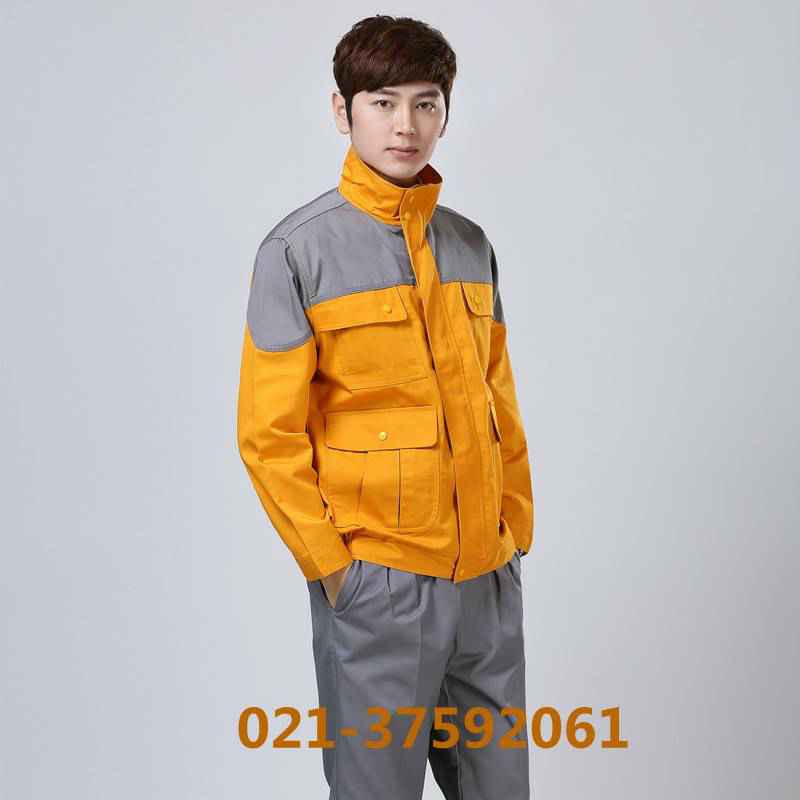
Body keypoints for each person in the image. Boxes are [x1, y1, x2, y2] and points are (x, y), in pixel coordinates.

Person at [236, 14, 535, 800]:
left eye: (426, 103)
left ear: (445, 113)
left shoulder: (470, 246)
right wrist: (338, 574)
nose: (406, 124)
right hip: (380, 587)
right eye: (383, 102)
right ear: (343, 110)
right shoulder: (297, 252)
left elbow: (500, 402)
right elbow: (268, 436)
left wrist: (514, 532)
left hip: (486, 582)